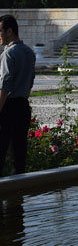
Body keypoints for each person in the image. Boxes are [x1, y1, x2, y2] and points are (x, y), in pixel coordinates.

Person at [0, 14, 36, 175]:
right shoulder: (29, 52)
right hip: (23, 106)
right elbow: (30, 82)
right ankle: (18, 198)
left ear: (9, 31)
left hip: (8, 107)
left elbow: (4, 86)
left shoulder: (9, 53)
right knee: (19, 155)